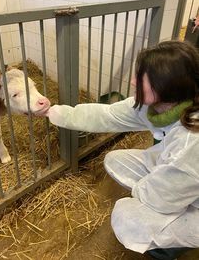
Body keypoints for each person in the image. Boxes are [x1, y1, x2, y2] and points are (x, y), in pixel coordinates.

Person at [44, 40, 199, 260]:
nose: (133, 81)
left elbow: (160, 198)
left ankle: (167, 249)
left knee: (126, 216)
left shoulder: (191, 140)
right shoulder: (160, 105)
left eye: (141, 77)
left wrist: (142, 194)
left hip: (192, 201)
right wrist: (55, 113)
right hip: (182, 180)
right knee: (116, 160)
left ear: (166, 84)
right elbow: (108, 115)